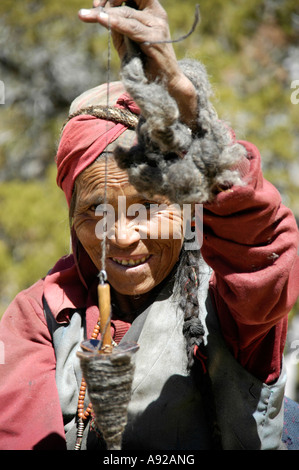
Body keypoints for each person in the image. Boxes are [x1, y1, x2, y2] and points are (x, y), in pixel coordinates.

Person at [0, 0, 298, 451]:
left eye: (149, 207)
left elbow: (264, 248)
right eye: (97, 212)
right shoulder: (41, 314)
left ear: (188, 208)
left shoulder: (233, 298)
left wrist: (192, 115)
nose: (120, 235)